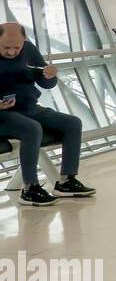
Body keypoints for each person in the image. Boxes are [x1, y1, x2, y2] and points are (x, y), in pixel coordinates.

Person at [0, 22, 95, 206]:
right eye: (6, 47)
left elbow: (46, 83)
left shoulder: (29, 50)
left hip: (29, 108)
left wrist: (49, 76)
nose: (12, 52)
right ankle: (30, 188)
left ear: (24, 41)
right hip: (2, 115)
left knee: (73, 123)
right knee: (32, 129)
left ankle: (66, 181)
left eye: (16, 47)